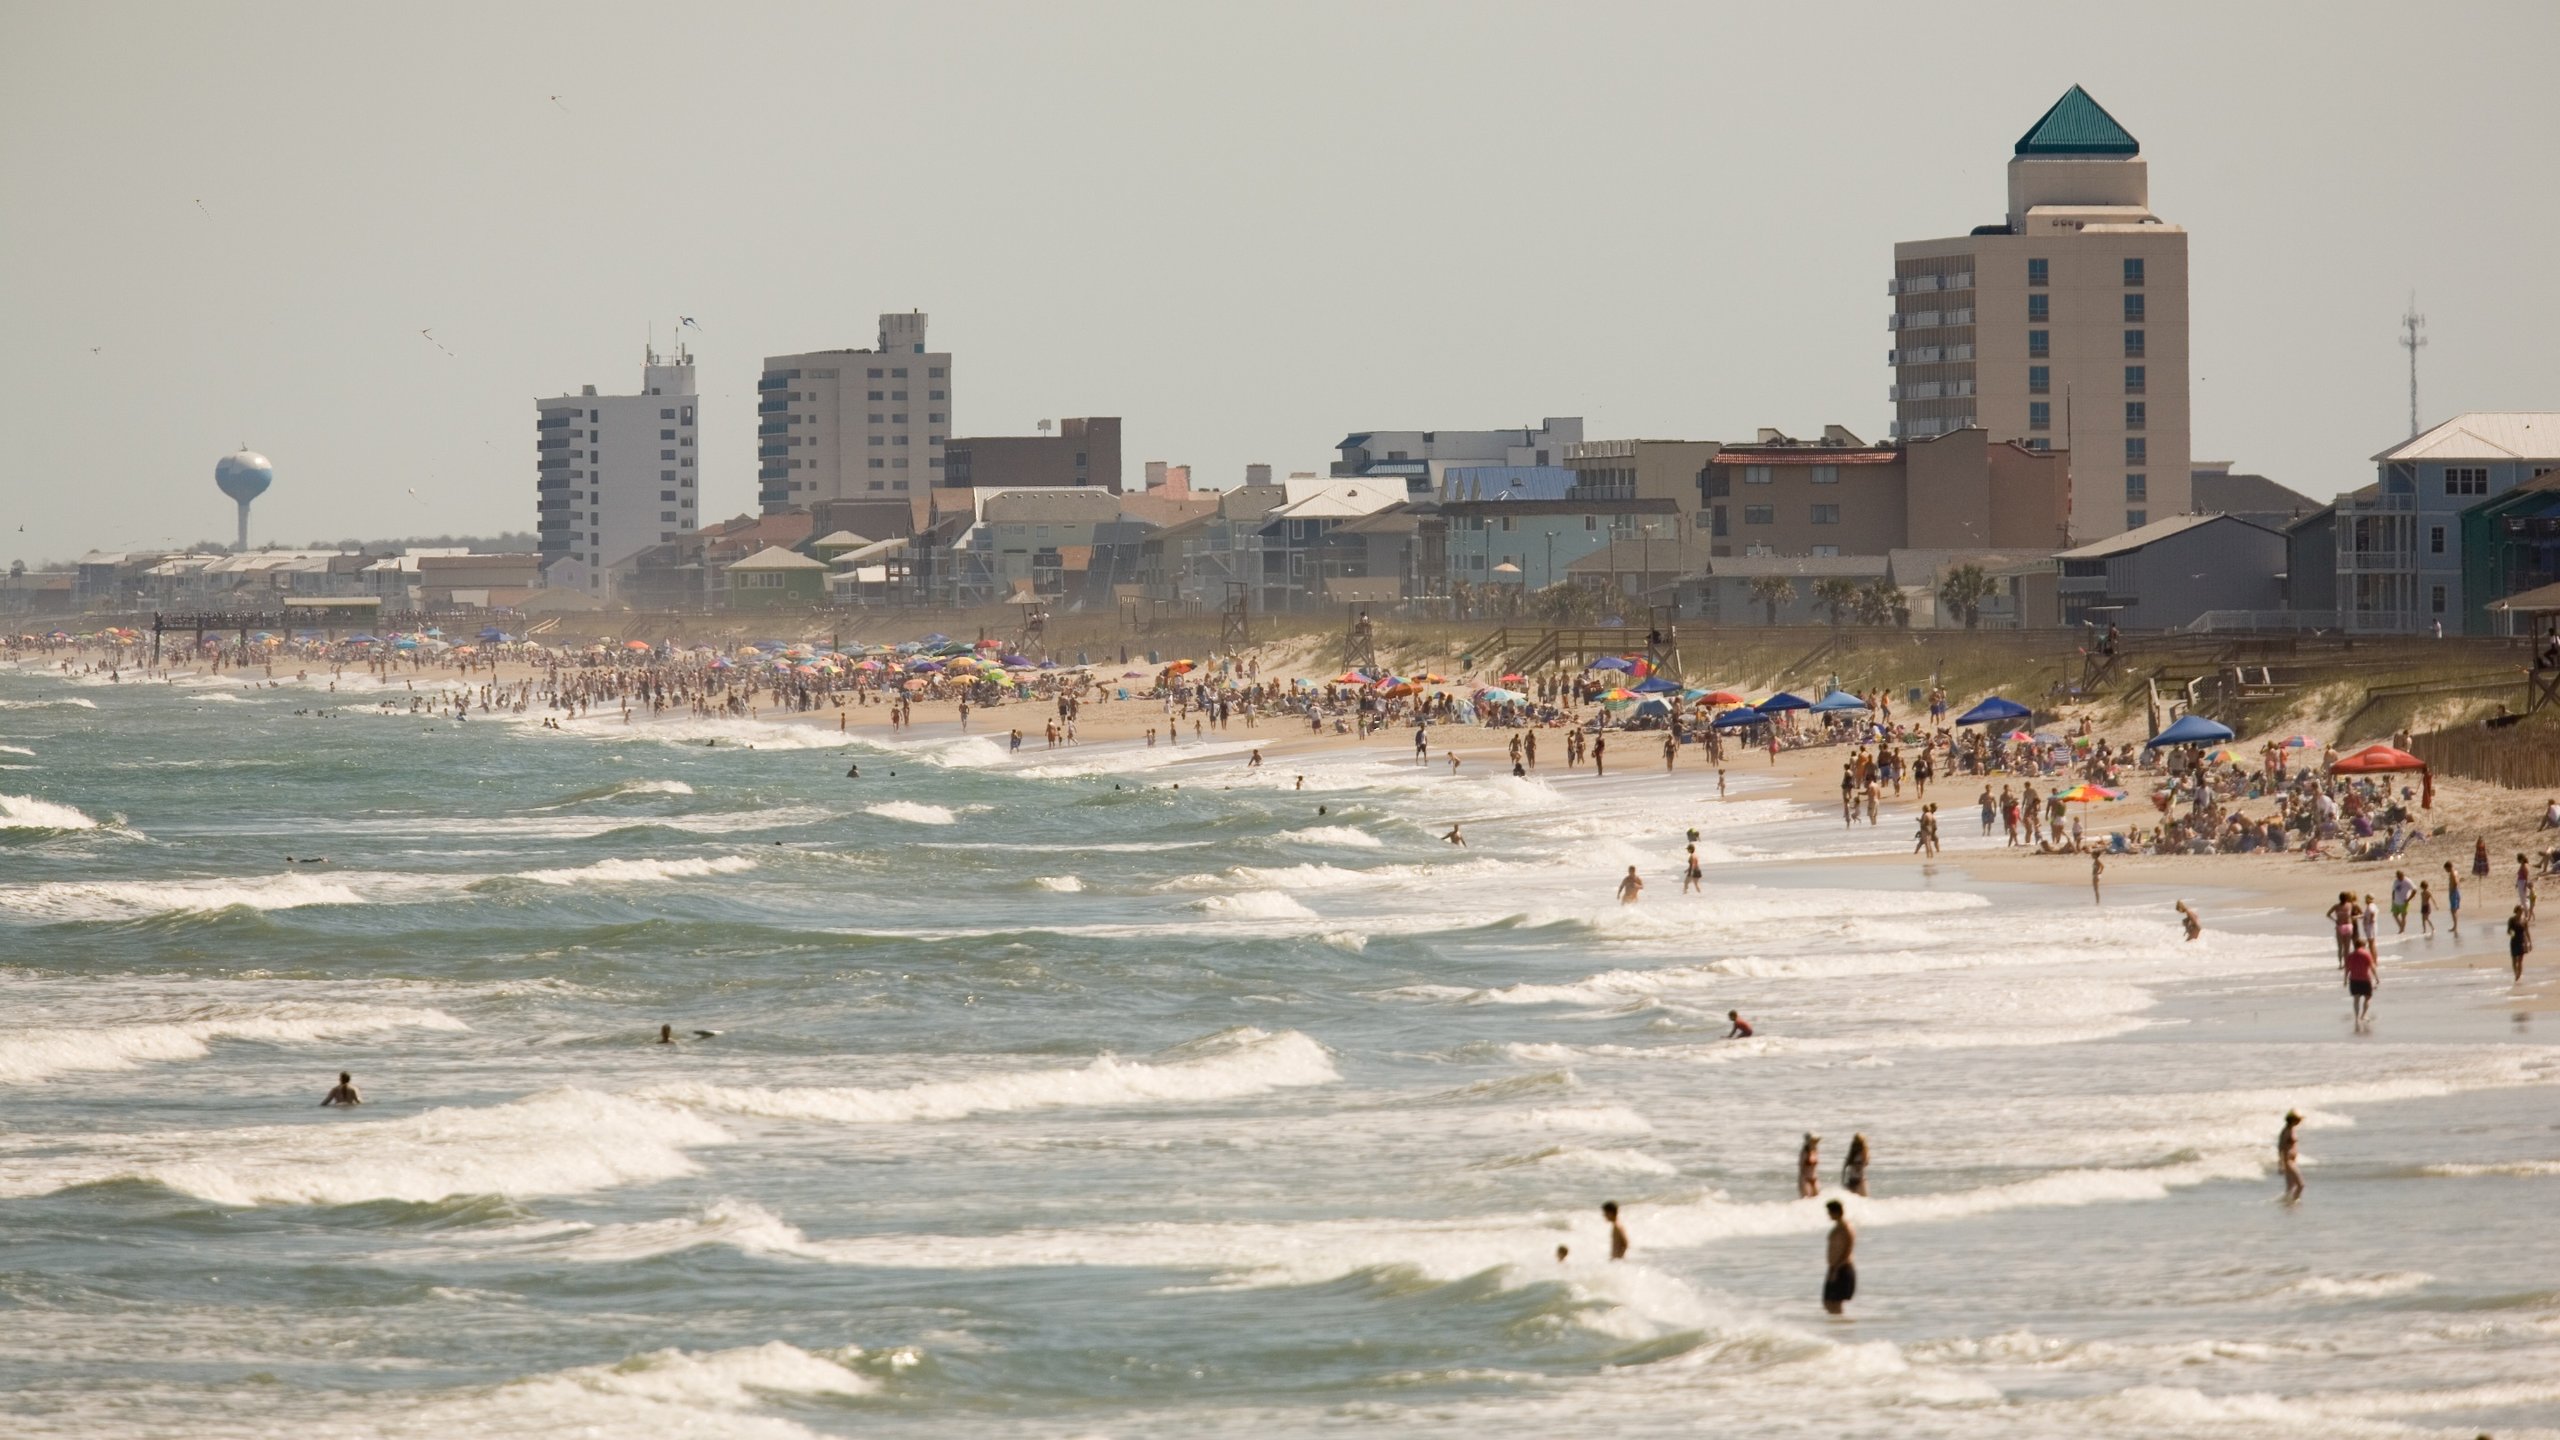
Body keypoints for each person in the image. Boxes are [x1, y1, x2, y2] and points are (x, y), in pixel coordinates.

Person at [1822, 1200, 1857, 1316]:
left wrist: (1836, 1269)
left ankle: (1839, 1330)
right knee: (1828, 1303)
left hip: (1842, 1267)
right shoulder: (1837, 1227)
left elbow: (1848, 1250)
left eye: (1829, 1212)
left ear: (1837, 1212)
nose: (1828, 1215)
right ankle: (1838, 1329)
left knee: (1835, 1303)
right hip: (1834, 1267)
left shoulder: (1846, 1228)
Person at [2344, 940, 2377, 1027]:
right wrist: (2377, 978)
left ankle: (2356, 1017)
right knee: (2367, 998)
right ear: (2363, 945)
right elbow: (2372, 966)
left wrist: (2345, 980)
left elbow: (2347, 969)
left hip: (2354, 980)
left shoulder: (2350, 956)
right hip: (2365, 979)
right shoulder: (2366, 954)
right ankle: (2363, 1015)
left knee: (2356, 999)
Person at [2278, 1110, 2304, 1203]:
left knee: (2290, 1187)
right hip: (2288, 1161)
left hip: (2293, 1160)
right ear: (2292, 1120)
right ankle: (2295, 1202)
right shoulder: (2286, 1131)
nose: (2299, 1122)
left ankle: (2287, 1206)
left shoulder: (2293, 1129)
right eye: (2297, 1120)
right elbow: (2281, 1146)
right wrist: (2281, 1163)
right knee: (2301, 1185)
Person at [2511, 905, 2535, 983]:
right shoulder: (2512, 920)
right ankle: (2516, 973)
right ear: (2516, 911)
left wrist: (2530, 942)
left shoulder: (2524, 920)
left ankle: (2518, 976)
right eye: (2520, 910)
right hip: (2514, 941)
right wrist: (2511, 933)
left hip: (2522, 941)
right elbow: (2508, 931)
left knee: (2520, 960)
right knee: (2514, 960)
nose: (2521, 912)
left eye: (2522, 910)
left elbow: (2527, 932)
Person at [2390, 869, 2414, 934]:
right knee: (2395, 915)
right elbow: (2393, 891)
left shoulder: (2407, 881)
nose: (2399, 878)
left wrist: (2409, 899)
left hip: (2404, 902)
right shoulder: (2396, 881)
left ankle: (2402, 930)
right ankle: (2401, 927)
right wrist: (2393, 899)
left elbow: (2414, 890)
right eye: (2398, 876)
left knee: (2403, 916)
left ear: (2403, 875)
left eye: (2400, 876)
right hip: (2396, 901)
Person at [1797, 1134, 1821, 1198]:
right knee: (1806, 1199)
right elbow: (1808, 1162)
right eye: (1813, 1141)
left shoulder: (1815, 1150)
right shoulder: (1804, 1152)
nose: (1815, 1143)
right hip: (1805, 1178)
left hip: (1814, 1178)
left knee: (1817, 1199)